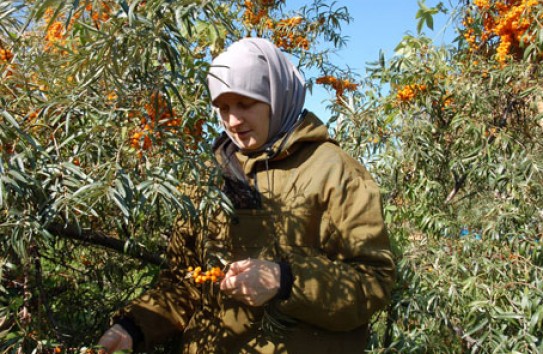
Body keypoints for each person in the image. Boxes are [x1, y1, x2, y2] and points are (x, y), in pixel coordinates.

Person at [97, 37, 396, 354]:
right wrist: (132, 327)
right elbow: (186, 280)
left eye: (246, 103)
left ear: (276, 97)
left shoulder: (334, 171)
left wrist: (285, 280)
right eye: (223, 107)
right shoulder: (209, 176)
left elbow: (373, 282)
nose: (233, 120)